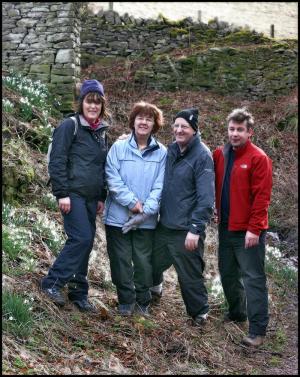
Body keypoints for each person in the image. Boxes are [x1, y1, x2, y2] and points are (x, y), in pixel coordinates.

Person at [41, 79, 110, 312]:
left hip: (91, 198)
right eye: (89, 101)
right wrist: (62, 193)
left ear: (102, 106)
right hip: (72, 195)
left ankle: (78, 292)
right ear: (81, 103)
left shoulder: (101, 132)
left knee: (87, 241)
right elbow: (57, 161)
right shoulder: (69, 126)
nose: (93, 106)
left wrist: (102, 196)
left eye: (97, 103)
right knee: (80, 239)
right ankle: (52, 282)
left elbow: (102, 167)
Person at [213, 108, 272, 347]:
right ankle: (237, 312)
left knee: (253, 279)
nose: (235, 134)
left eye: (240, 130)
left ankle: (257, 330)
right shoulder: (220, 154)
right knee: (227, 274)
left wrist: (255, 229)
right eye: (231, 129)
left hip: (248, 231)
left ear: (250, 132)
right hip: (225, 227)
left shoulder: (259, 158)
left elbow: (262, 197)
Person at [151, 108, 215, 326]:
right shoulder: (171, 150)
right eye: (176, 125)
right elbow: (150, 149)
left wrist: (195, 229)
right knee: (151, 261)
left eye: (184, 126)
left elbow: (206, 198)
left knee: (189, 276)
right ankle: (154, 290)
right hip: (165, 223)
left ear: (194, 129)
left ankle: (199, 314)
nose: (179, 130)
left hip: (186, 229)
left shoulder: (202, 156)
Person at [103, 101, 167, 317]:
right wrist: (132, 203)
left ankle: (142, 302)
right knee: (120, 261)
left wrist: (145, 210)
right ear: (133, 121)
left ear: (154, 125)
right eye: (140, 117)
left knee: (143, 262)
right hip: (117, 217)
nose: (144, 122)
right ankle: (125, 301)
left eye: (149, 119)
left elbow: (161, 186)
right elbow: (112, 178)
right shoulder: (118, 148)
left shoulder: (162, 153)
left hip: (147, 220)